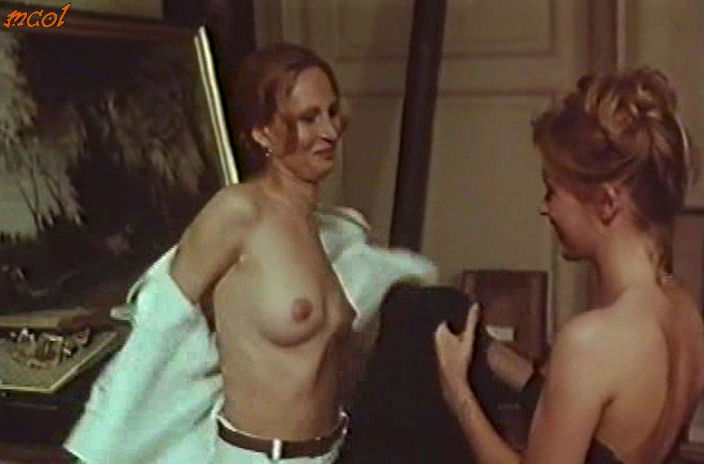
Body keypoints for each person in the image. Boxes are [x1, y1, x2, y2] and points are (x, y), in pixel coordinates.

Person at [64, 43, 436, 464]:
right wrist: (94, 450)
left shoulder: (336, 231)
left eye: (332, 112)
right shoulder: (238, 213)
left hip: (328, 453)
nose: (330, 132)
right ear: (263, 133)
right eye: (308, 118)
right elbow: (158, 327)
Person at [434, 67, 704, 464]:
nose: (544, 208)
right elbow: (593, 410)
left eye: (552, 191)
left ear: (607, 202)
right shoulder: (684, 311)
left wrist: (457, 391)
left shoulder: (590, 341)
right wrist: (493, 357)